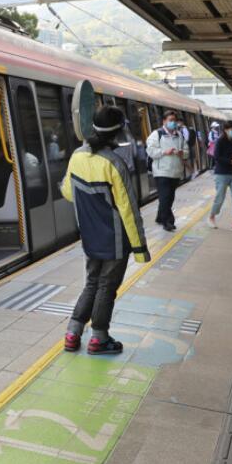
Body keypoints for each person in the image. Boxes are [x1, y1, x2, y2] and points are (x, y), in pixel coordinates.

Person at [62, 106, 150, 355]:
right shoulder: (114, 163)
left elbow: (68, 192)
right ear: (118, 131)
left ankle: (72, 333)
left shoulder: (77, 156)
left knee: (91, 282)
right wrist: (140, 249)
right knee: (106, 287)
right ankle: (99, 338)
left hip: (89, 236)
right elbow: (128, 210)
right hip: (114, 239)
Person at [147, 111, 189, 232]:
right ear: (164, 121)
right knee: (165, 197)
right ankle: (168, 221)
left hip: (176, 171)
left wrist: (182, 153)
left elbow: (186, 151)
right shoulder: (157, 134)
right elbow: (150, 150)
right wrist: (164, 152)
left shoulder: (179, 135)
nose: (173, 123)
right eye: (170, 120)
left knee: (169, 197)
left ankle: (160, 217)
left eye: (174, 120)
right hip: (161, 171)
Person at [207, 121, 232, 233]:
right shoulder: (220, 141)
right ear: (226, 130)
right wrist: (231, 161)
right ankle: (211, 217)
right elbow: (217, 157)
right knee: (220, 198)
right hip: (222, 174)